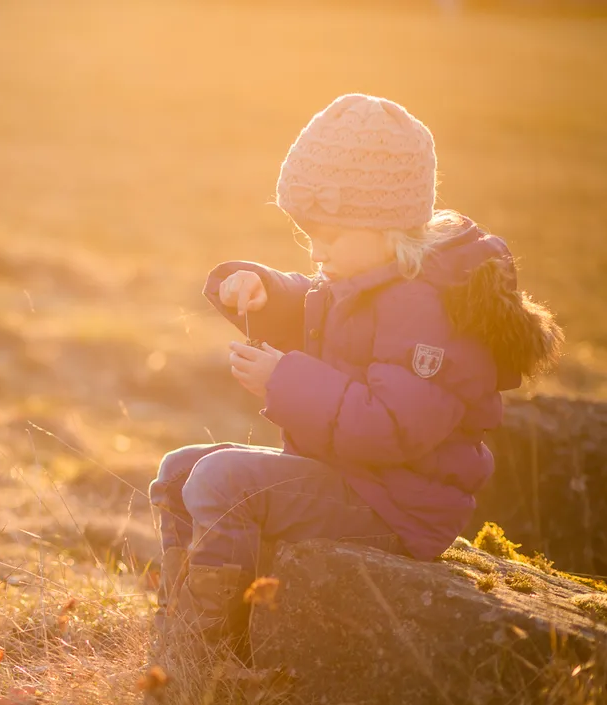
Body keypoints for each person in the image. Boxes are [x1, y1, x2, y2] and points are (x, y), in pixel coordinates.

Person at [151, 93, 563, 645]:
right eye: (308, 234)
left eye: (331, 235)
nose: (316, 252)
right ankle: (177, 631)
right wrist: (260, 288)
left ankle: (213, 650)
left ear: (387, 225)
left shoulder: (429, 308)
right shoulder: (370, 275)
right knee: (180, 472)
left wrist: (283, 380)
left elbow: (392, 428)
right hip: (351, 476)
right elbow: (314, 304)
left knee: (221, 482)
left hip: (396, 505)